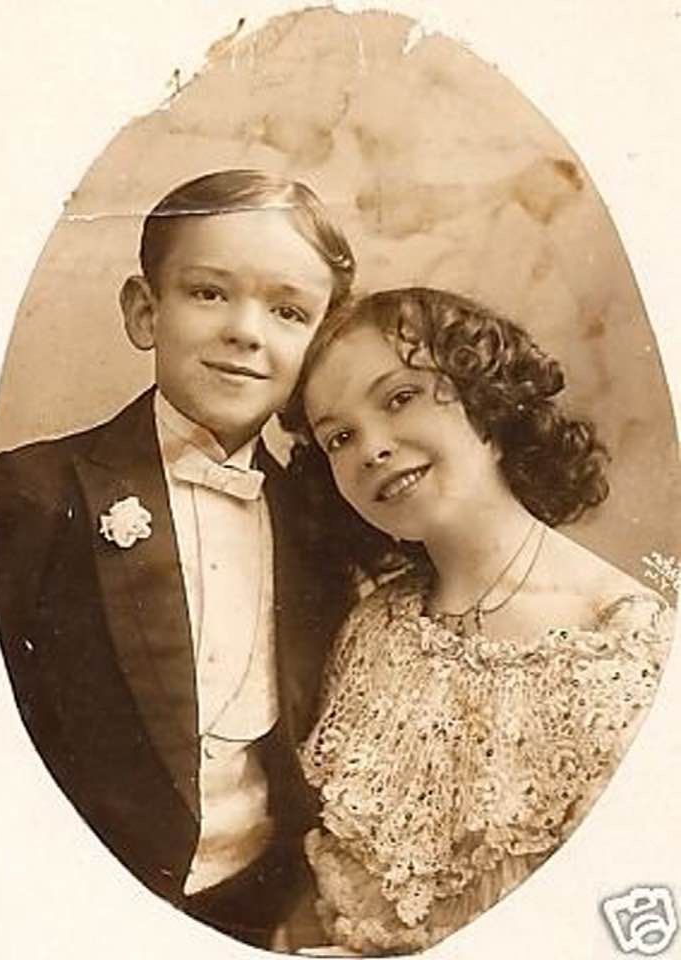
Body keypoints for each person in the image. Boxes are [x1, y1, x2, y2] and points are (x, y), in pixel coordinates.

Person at [0, 169, 356, 948]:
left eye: (287, 311)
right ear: (145, 310)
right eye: (209, 293)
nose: (246, 331)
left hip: (253, 910)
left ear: (318, 345)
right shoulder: (35, 492)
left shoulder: (319, 516)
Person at [280, 287, 674, 955]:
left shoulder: (622, 645)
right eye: (339, 437)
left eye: (398, 397)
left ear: (487, 402)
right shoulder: (373, 629)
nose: (371, 448)